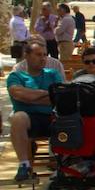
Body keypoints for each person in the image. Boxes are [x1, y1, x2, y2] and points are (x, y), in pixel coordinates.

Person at [7, 40, 63, 181]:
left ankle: (66, 165)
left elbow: (60, 98)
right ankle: (24, 165)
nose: (43, 58)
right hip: (29, 120)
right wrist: (46, 94)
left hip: (53, 118)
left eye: (44, 55)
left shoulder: (53, 74)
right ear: (27, 56)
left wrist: (30, 97)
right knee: (18, 118)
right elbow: (18, 94)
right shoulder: (16, 76)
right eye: (38, 54)